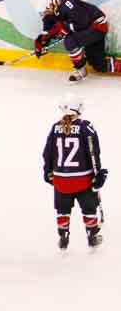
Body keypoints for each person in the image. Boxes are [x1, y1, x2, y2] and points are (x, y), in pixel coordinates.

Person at [43, 98, 106, 251]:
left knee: (63, 209)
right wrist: (98, 174)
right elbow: (93, 152)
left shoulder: (55, 127)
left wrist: (48, 172)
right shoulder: (86, 127)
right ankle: (92, 235)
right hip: (83, 179)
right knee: (89, 208)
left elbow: (48, 153)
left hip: (61, 181)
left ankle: (63, 237)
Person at [33, 0, 121, 83]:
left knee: (70, 41)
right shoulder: (51, 12)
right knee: (99, 65)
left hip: (97, 27)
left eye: (46, 11)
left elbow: (82, 23)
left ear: (51, 4)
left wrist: (63, 28)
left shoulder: (68, 4)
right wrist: (41, 42)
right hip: (87, 31)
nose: (45, 14)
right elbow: (48, 30)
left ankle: (80, 71)